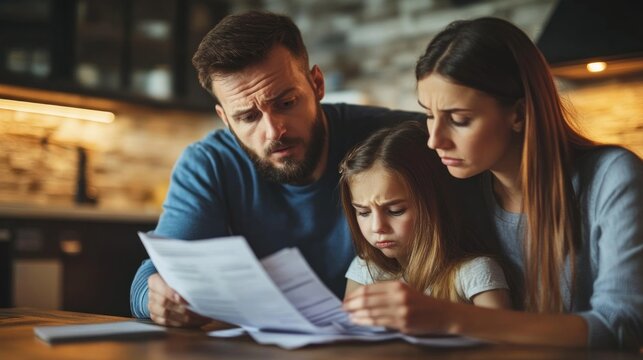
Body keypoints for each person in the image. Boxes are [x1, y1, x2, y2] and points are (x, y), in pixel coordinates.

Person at [342, 17, 643, 350]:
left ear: (518, 114)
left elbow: (622, 324)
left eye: (459, 120)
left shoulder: (612, 178)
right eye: (429, 115)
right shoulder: (459, 184)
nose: (435, 140)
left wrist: (451, 317)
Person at [129, 11, 424, 327]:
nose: (273, 131)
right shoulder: (209, 164)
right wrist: (157, 299)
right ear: (225, 119)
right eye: (248, 118)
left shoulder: (396, 140)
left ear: (317, 84)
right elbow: (149, 279)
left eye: (286, 103)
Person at [339, 122, 511, 310]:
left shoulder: (475, 274)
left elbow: (502, 336)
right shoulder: (365, 270)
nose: (377, 227)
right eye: (363, 212)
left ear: (434, 204)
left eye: (395, 210)